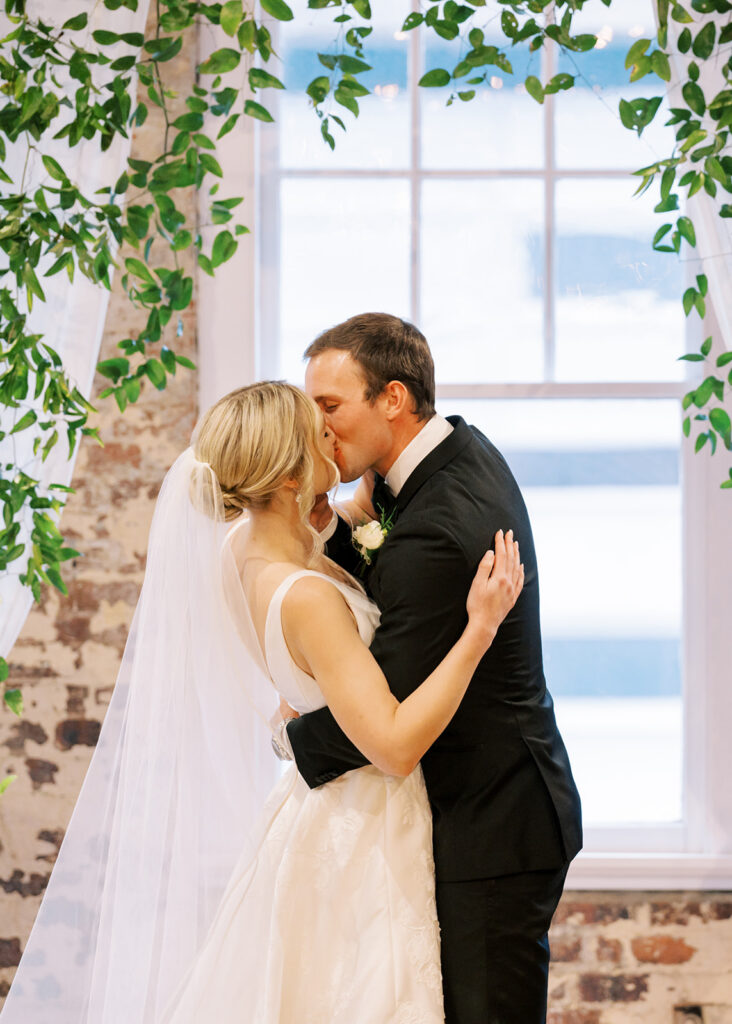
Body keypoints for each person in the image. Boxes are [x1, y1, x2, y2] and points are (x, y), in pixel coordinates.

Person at [1, 381, 523, 1024]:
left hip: (311, 809)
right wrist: (480, 629)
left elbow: (291, 688)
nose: (332, 441)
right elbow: (393, 746)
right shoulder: (309, 599)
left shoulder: (237, 554)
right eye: (320, 434)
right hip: (365, 821)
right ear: (290, 475)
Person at [284, 312, 583, 1024]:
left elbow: (384, 714)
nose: (318, 429)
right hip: (498, 800)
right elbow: (394, 573)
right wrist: (334, 527)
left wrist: (288, 737)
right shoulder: (454, 451)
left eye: (330, 406)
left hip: (493, 823)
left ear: (392, 398)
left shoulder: (440, 529)